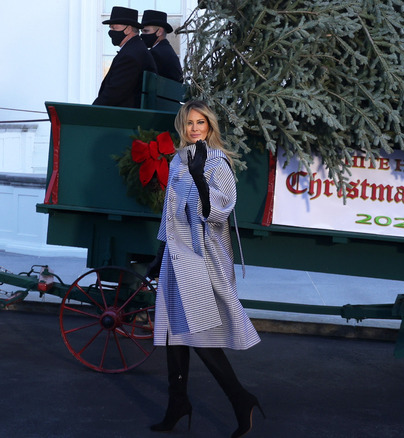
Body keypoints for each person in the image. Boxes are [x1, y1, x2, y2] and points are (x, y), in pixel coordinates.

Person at [149, 100, 263, 437]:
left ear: (210, 127)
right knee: (174, 334)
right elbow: (169, 214)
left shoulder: (217, 163)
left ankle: (241, 398)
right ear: (182, 127)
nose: (195, 128)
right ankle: (178, 403)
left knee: (198, 335)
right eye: (189, 123)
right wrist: (160, 252)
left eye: (201, 122)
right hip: (176, 257)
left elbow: (219, 213)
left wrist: (200, 177)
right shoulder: (177, 160)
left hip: (202, 258)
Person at [93, 6, 157, 108]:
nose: (110, 32)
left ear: (128, 29)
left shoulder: (130, 55)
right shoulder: (135, 49)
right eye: (110, 28)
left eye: (114, 28)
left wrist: (91, 111)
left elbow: (113, 93)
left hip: (125, 117)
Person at [140, 10, 184, 83]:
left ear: (159, 31)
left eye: (146, 31)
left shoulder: (156, 53)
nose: (142, 35)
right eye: (142, 31)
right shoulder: (166, 49)